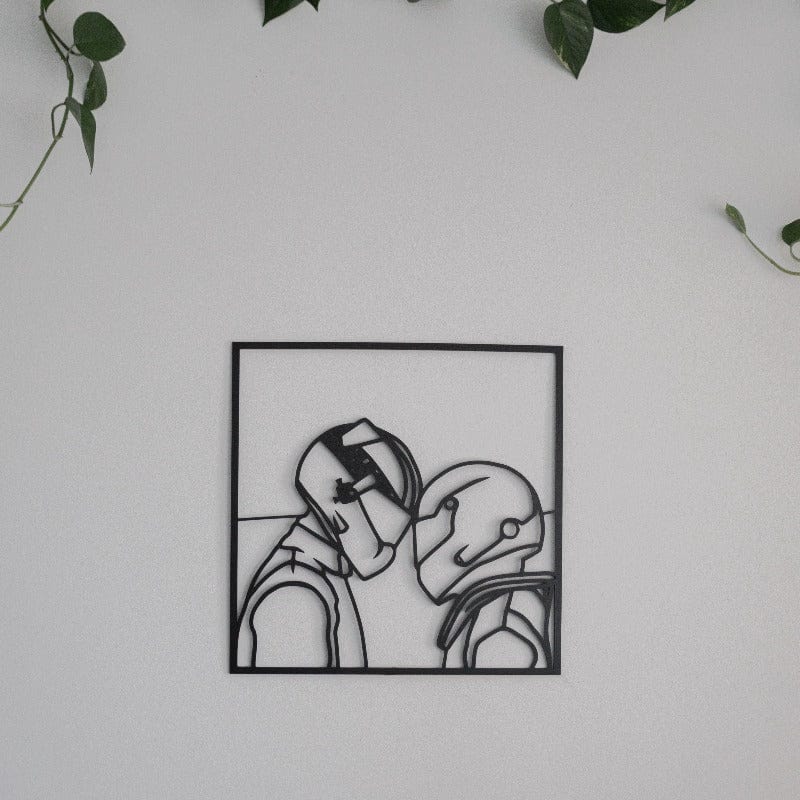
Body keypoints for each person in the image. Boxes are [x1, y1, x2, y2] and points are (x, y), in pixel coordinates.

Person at [237, 419, 421, 669]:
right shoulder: (297, 592)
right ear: (343, 504)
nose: (390, 544)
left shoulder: (316, 575)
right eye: (387, 518)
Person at [413, 461, 556, 670]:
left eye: (448, 507)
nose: (421, 532)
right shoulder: (482, 621)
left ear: (508, 530)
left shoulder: (496, 642)